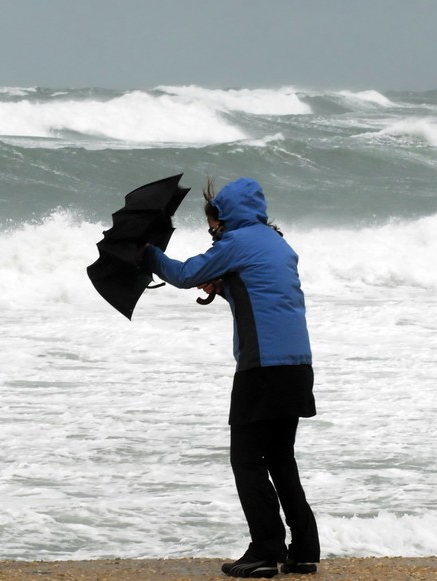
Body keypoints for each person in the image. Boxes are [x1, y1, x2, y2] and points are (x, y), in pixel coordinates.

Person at [142, 177, 320, 578]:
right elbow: (262, 291)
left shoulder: (235, 243)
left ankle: (265, 550)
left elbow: (185, 273)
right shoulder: (277, 242)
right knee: (280, 458)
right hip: (297, 365)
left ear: (224, 217)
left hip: (262, 367)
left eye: (211, 225)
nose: (211, 232)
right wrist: (224, 288)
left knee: (246, 460)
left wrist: (148, 254)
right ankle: (305, 550)